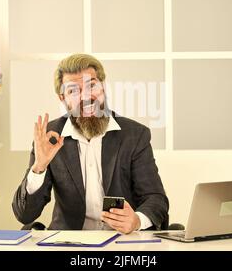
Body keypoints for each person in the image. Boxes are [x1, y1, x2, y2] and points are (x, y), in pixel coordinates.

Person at [12, 53, 169, 234]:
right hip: (70, 244)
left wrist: (136, 221)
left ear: (103, 86)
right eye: (73, 91)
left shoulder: (134, 135)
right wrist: (39, 167)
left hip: (122, 241)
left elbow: (156, 199)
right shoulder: (49, 138)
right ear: (62, 98)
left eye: (91, 85)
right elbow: (24, 215)